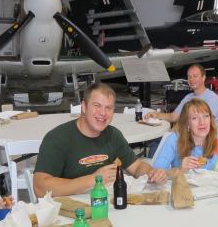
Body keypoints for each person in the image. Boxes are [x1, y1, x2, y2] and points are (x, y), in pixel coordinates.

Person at [34, 82, 167, 197]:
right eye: (97, 105)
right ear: (84, 107)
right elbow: (40, 188)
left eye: (108, 108)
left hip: (105, 205)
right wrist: (93, 180)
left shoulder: (113, 135)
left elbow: (137, 166)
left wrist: (151, 173)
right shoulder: (58, 138)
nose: (103, 113)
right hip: (71, 213)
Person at [153, 98, 218, 177]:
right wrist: (180, 170)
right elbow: (157, 171)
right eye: (195, 118)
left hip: (211, 188)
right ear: (187, 123)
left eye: (206, 116)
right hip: (182, 187)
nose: (202, 122)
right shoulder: (174, 140)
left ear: (210, 120)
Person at [146, 63, 218, 128]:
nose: (191, 80)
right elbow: (173, 117)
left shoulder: (211, 98)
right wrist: (156, 115)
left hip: (207, 141)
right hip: (190, 137)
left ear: (203, 78)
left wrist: (179, 128)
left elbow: (206, 125)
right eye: (189, 77)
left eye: (195, 76)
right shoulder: (188, 97)